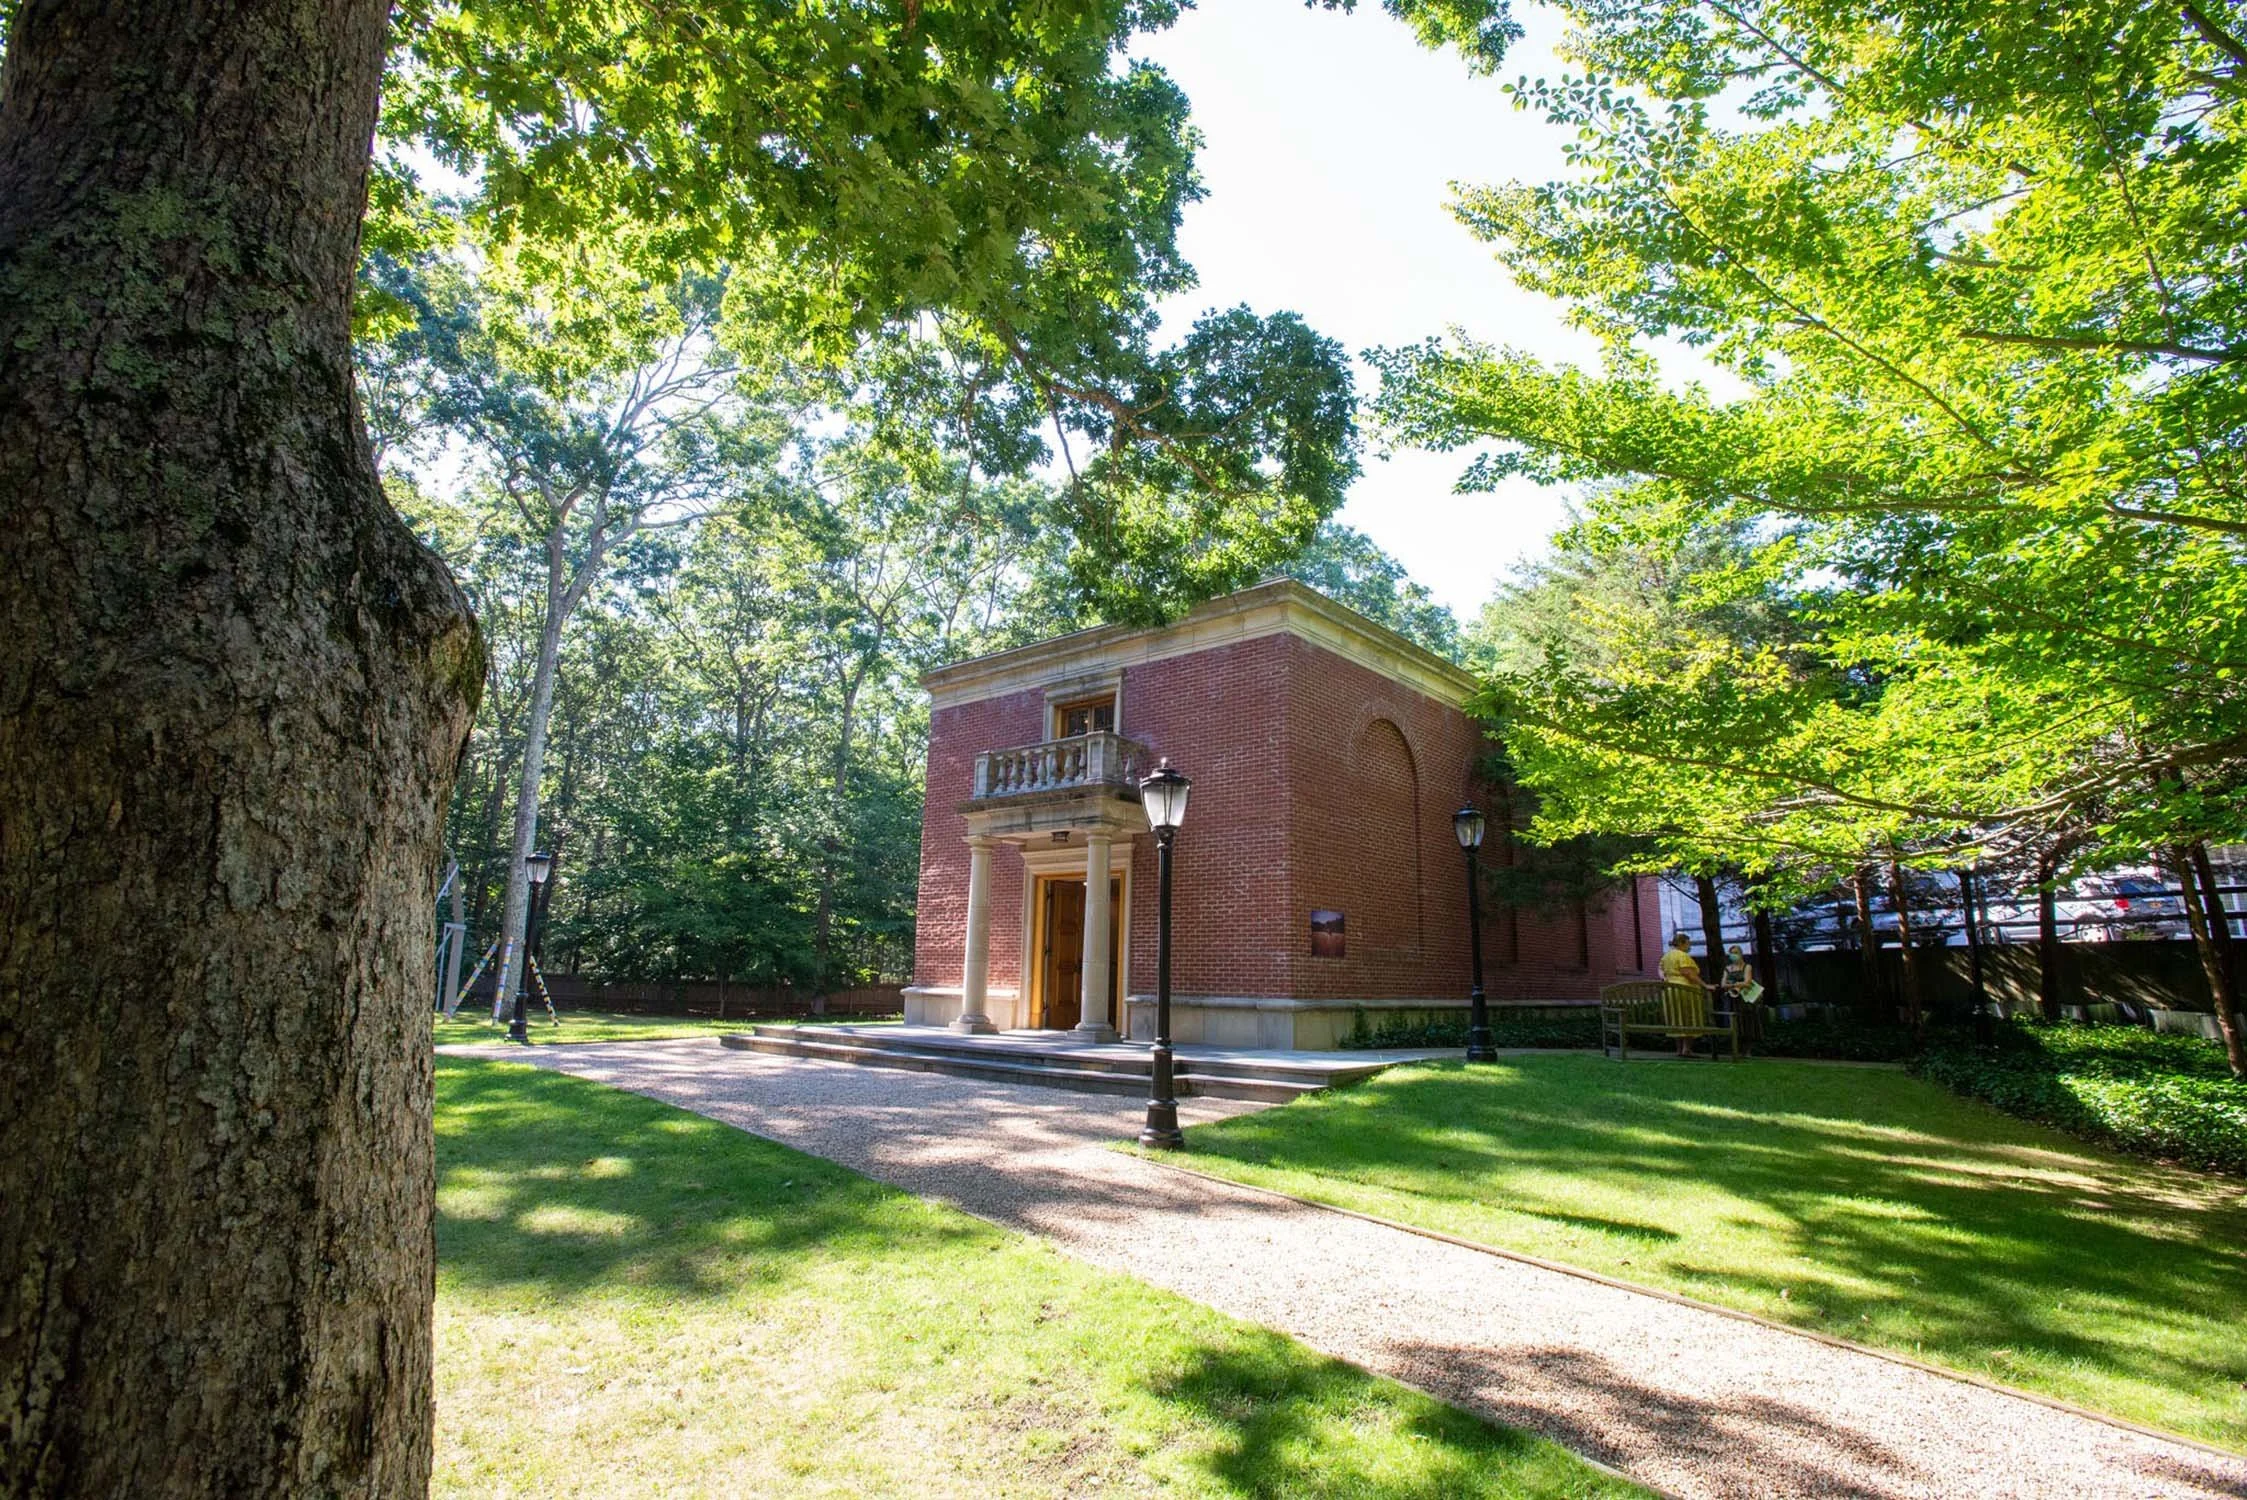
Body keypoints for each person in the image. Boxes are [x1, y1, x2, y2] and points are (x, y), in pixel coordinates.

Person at [1657, 931, 1710, 1057]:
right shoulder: (1682, 956)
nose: (1689, 946)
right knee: (1688, 1017)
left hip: (1670, 989)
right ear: (1682, 943)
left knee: (1676, 1018)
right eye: (1688, 943)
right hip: (1685, 990)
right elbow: (1688, 973)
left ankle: (1679, 1049)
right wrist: (1705, 985)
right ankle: (1687, 1049)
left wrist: (1665, 979)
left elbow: (1660, 969)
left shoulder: (1666, 956)